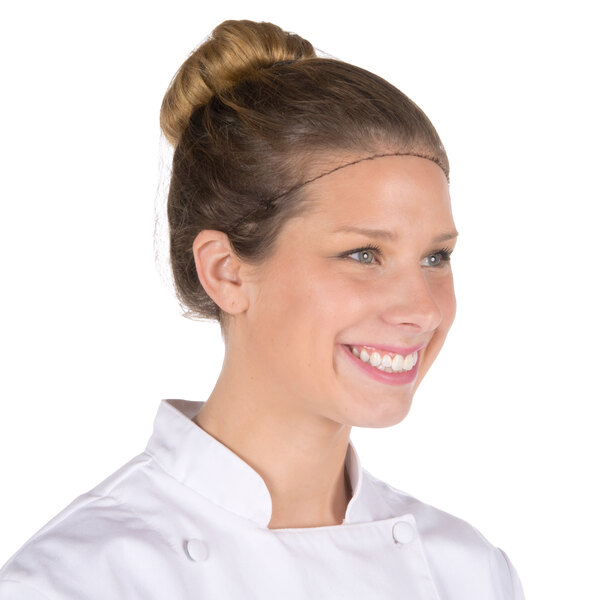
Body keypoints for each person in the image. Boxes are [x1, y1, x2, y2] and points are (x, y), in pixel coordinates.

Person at [0, 19, 525, 599]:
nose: (421, 311)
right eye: (363, 253)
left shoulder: (471, 572)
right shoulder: (78, 581)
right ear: (226, 271)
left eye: (435, 257)